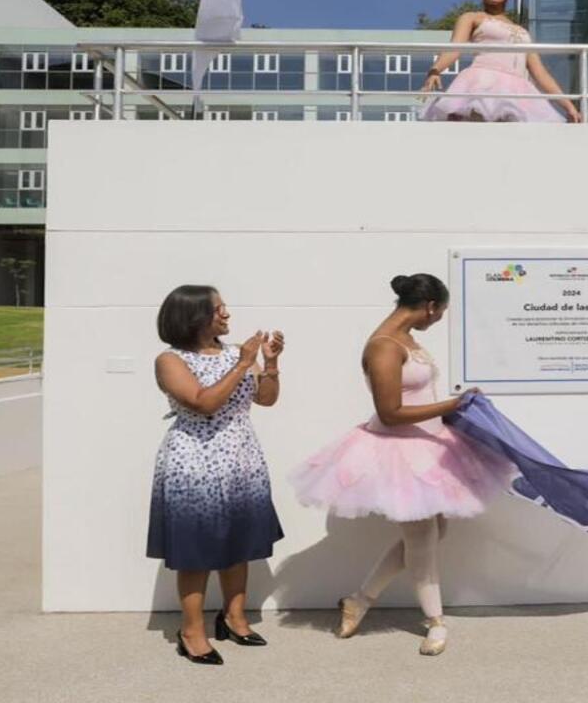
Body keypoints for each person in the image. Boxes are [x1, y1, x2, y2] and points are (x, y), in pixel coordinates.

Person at [291, 274, 511, 656]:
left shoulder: (408, 340)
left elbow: (416, 394)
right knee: (422, 539)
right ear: (429, 306)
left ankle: (360, 599)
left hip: (428, 447)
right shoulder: (383, 347)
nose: (438, 320)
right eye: (439, 313)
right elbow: (391, 413)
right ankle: (435, 622)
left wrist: (451, 411)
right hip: (396, 452)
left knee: (431, 532)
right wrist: (453, 404)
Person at [148, 285, 285, 666]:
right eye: (218, 309)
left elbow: (266, 399)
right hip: (195, 463)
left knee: (238, 543)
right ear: (193, 316)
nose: (226, 315)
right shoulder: (170, 360)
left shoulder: (234, 353)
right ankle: (191, 631)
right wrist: (242, 364)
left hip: (241, 459)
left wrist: (270, 364)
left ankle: (234, 617)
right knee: (196, 551)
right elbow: (203, 403)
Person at [420, 0, 581, 123]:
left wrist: (568, 105)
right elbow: (455, 47)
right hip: (482, 82)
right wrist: (435, 70)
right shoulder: (471, 17)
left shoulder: (523, 31)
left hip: (518, 90)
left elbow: (540, 72)